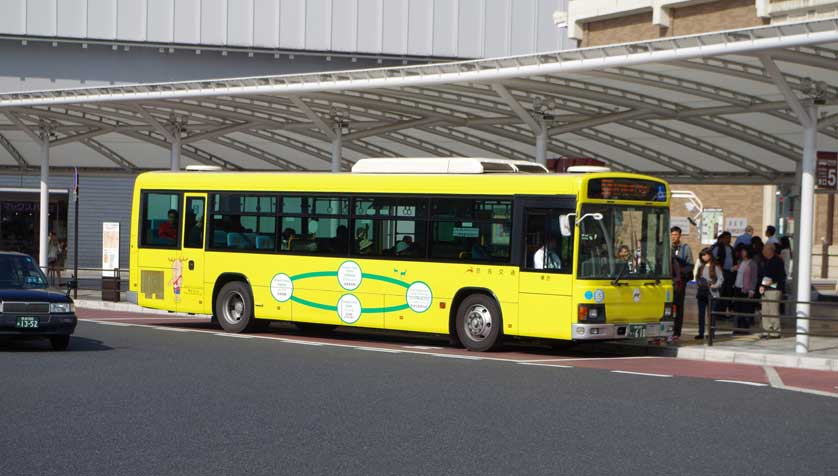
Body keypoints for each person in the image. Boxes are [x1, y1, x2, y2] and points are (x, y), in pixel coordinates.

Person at [758, 243, 786, 338]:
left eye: (765, 250)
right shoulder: (765, 261)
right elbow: (764, 277)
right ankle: (766, 330)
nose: (763, 252)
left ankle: (775, 331)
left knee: (773, 311)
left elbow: (780, 277)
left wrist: (770, 283)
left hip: (774, 289)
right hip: (765, 289)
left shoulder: (778, 261)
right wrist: (762, 285)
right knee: (765, 311)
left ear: (771, 250)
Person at [670, 226, 694, 340]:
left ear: (680, 235)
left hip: (680, 282)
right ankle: (668, 330)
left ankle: (677, 332)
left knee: (679, 307)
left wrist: (680, 270)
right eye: (672, 235)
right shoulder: (667, 248)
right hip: (669, 282)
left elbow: (690, 265)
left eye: (676, 235)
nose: (674, 237)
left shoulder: (685, 248)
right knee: (668, 306)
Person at [695, 248, 723, 340]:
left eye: (705, 255)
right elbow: (697, 278)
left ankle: (711, 333)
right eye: (702, 255)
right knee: (701, 314)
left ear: (710, 255)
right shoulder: (701, 267)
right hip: (702, 293)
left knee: (711, 315)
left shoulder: (715, 266)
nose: (703, 257)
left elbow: (721, 279)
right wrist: (699, 283)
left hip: (712, 293)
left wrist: (715, 285)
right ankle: (701, 332)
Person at [733, 245, 758, 333]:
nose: (742, 253)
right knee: (737, 308)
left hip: (746, 289)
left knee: (745, 309)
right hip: (737, 287)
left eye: (744, 251)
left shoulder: (752, 264)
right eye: (742, 251)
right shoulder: (740, 261)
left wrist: (752, 290)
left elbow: (754, 278)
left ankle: (744, 328)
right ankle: (737, 328)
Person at [711, 231, 735, 314]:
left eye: (729, 238)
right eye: (726, 238)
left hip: (730, 272)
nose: (728, 240)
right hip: (721, 272)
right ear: (722, 238)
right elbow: (714, 259)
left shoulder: (731, 248)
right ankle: (718, 311)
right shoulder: (718, 248)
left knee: (728, 292)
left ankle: (724, 310)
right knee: (721, 291)